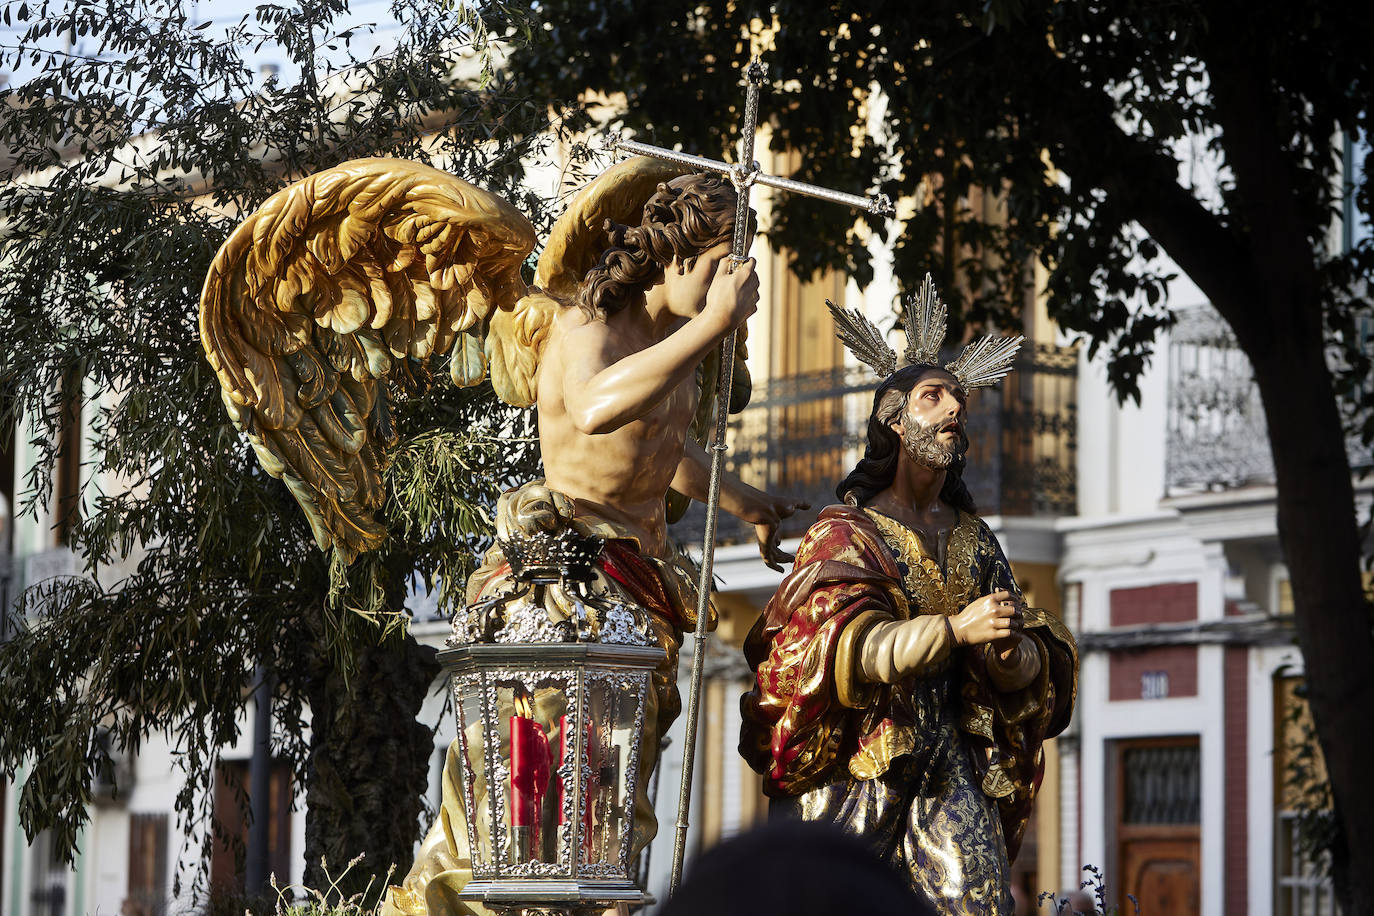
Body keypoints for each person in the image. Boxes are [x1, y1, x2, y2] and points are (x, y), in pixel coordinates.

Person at [384, 169, 804, 916]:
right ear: (674, 257)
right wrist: (713, 325)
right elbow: (594, 409)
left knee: (610, 795)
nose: (729, 286)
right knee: (539, 794)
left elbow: (661, 449)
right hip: (568, 586)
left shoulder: (667, 343)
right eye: (717, 268)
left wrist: (745, 502)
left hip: (640, 591)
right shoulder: (586, 328)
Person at [738, 280, 1077, 916]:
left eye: (958, 399)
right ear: (894, 420)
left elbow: (1021, 657)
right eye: (934, 397)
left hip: (950, 753)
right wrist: (955, 631)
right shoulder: (847, 533)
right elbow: (837, 646)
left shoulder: (974, 539)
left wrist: (1012, 655)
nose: (955, 409)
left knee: (978, 903)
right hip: (861, 756)